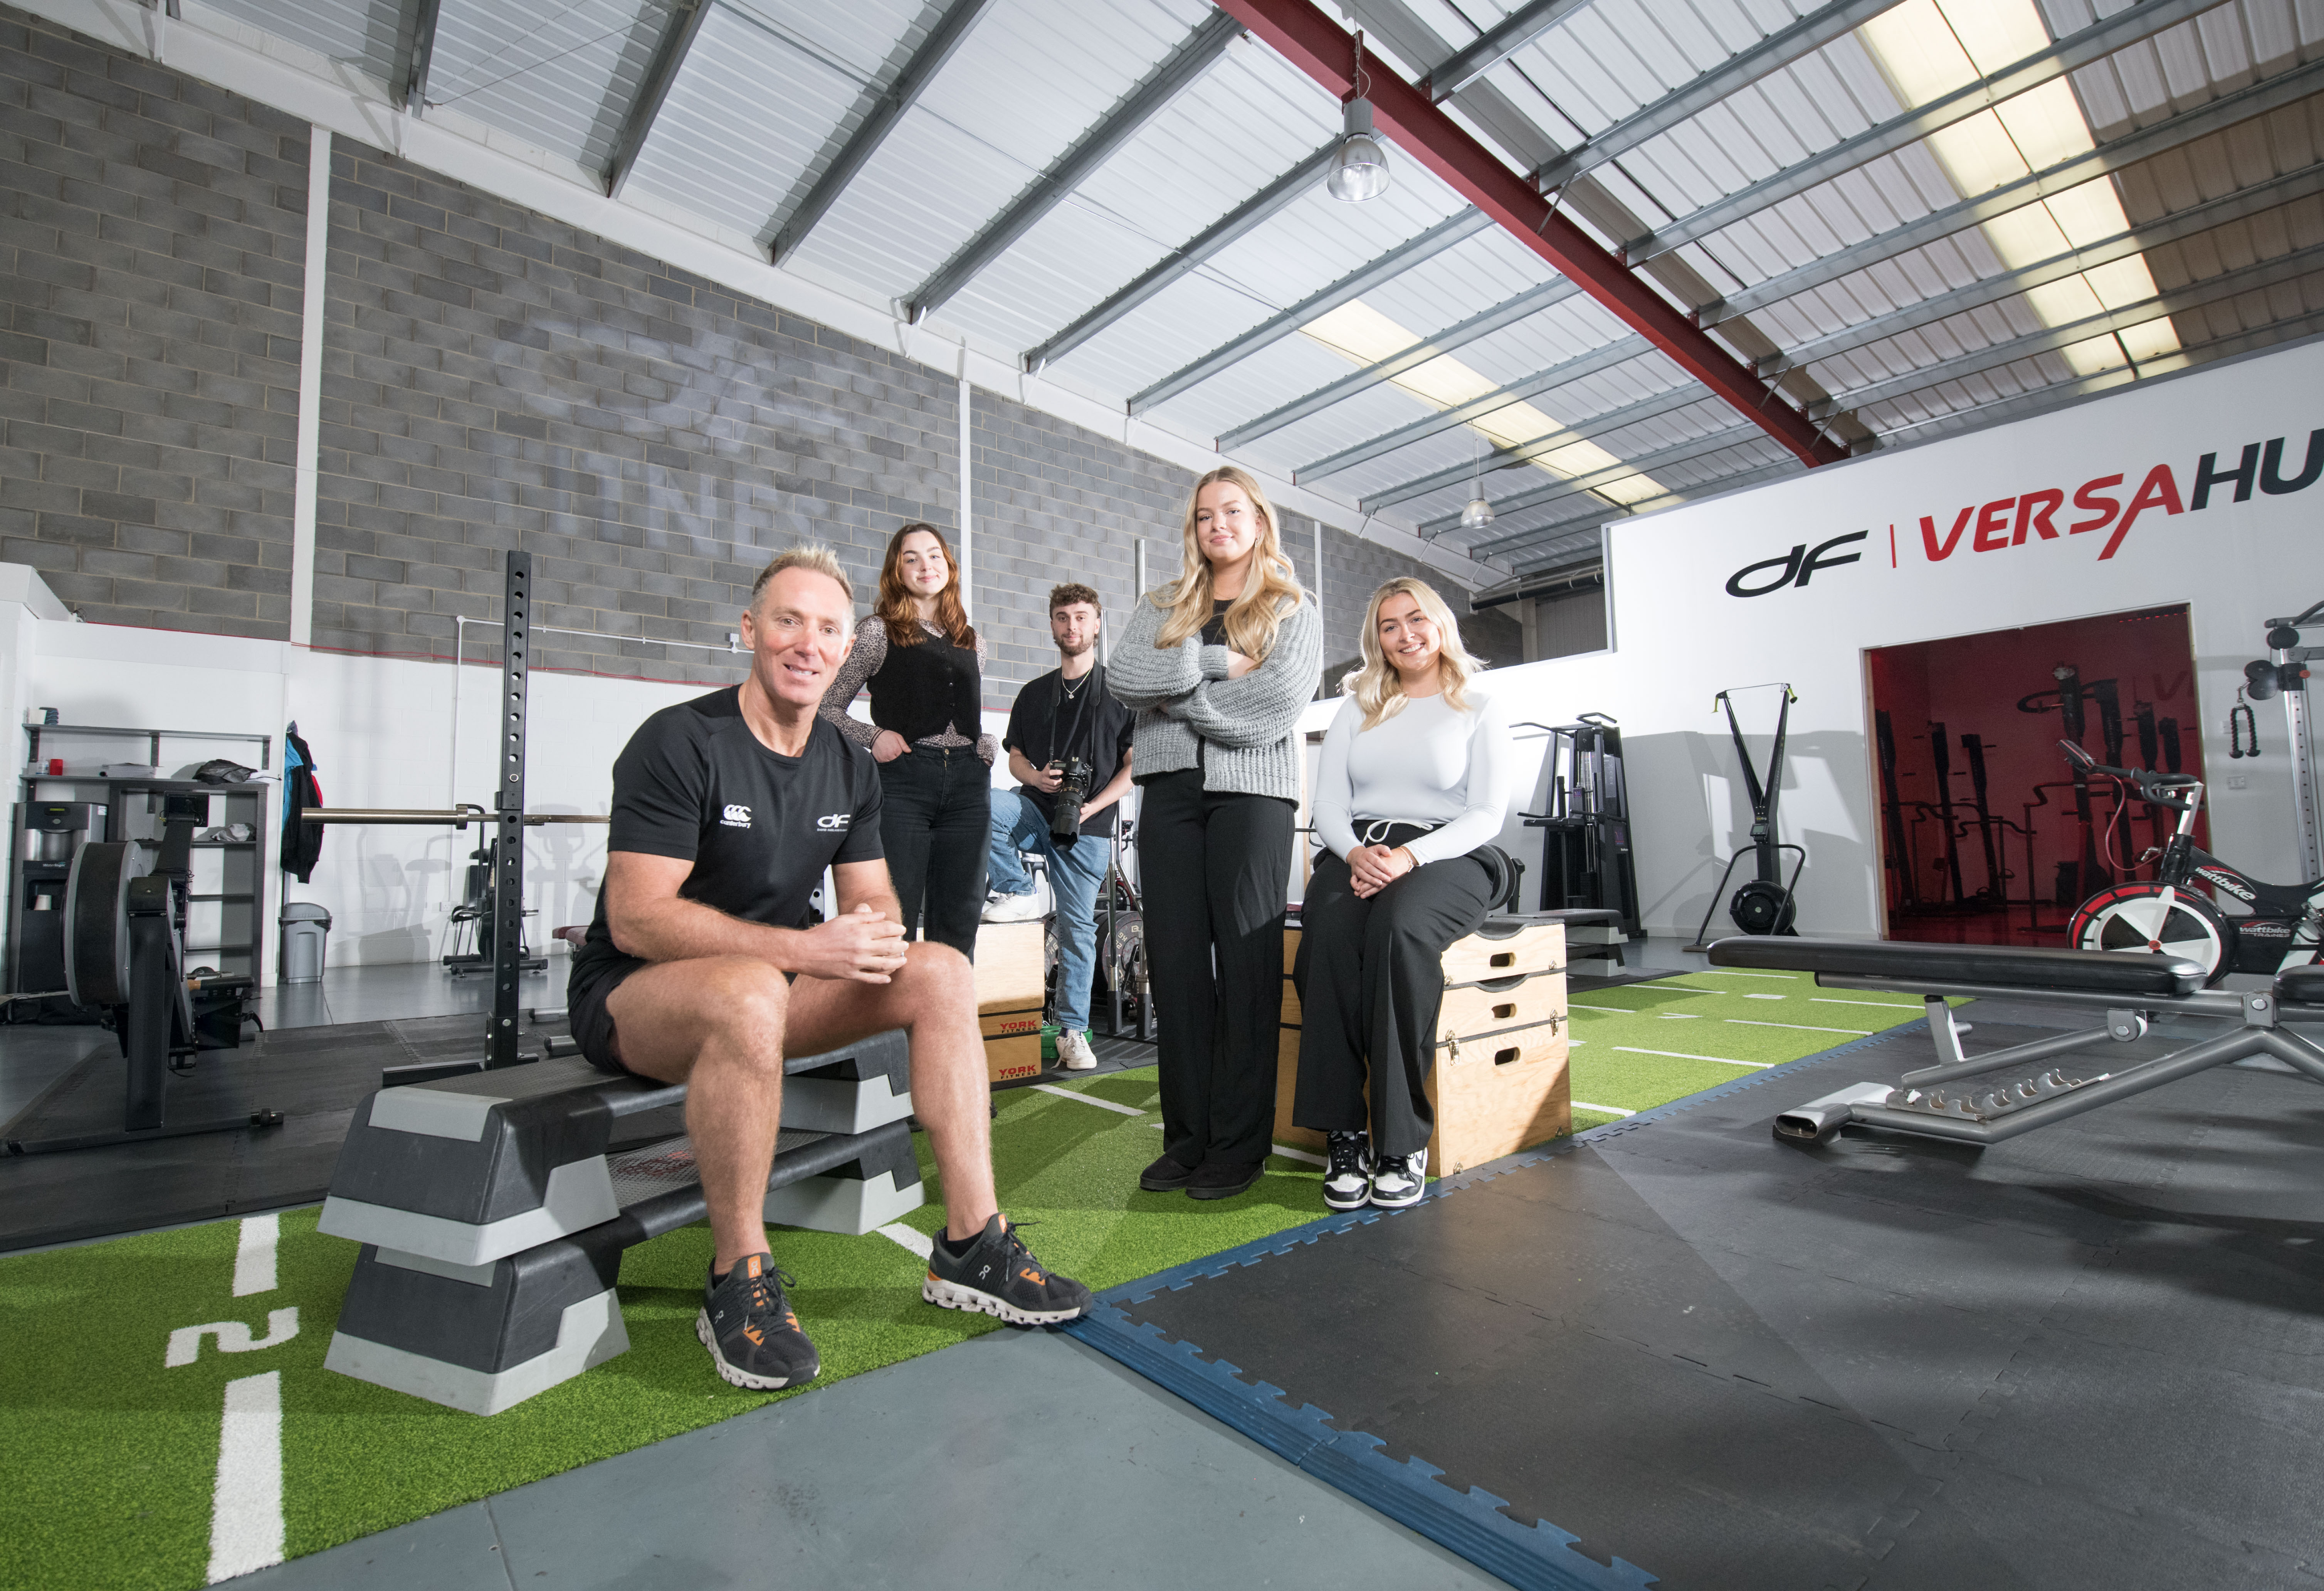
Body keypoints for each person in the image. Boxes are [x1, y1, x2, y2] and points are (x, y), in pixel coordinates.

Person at [566, 545, 1090, 1393]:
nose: (807, 644)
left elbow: (874, 904)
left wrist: (873, 939)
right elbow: (637, 918)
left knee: (942, 970)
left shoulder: (848, 766)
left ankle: (970, 1244)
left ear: (850, 651)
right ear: (749, 630)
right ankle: (738, 1274)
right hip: (638, 995)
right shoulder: (680, 741)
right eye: (788, 621)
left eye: (828, 630)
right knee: (743, 993)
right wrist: (809, 949)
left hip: (776, 989)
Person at [1109, 465, 1321, 1201]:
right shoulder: (1163, 602)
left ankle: (1238, 1144)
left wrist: (1181, 702)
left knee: (1246, 966)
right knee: (1176, 968)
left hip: (1254, 795)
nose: (1218, 525)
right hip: (1168, 794)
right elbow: (1123, 676)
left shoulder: (1292, 605)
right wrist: (1208, 665)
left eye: (1232, 512)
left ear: (1259, 521)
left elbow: (1278, 702)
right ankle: (1188, 1138)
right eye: (1205, 516)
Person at [1293, 577, 1514, 1211]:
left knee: (1398, 930)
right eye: (1389, 625)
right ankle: (1345, 1133)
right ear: (1376, 639)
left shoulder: (1478, 705)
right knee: (1330, 933)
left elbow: (1486, 813)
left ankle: (1400, 1139)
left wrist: (1410, 856)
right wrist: (1356, 852)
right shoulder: (1356, 707)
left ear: (1440, 623)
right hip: (1358, 849)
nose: (1404, 634)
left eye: (1415, 619)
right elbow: (1329, 803)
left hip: (1449, 853)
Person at [818, 523, 993, 957]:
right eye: (910, 558)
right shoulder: (877, 631)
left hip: (970, 785)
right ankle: (888, 1026)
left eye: (933, 555)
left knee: (960, 917)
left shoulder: (973, 641)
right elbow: (825, 706)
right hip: (904, 782)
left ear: (948, 566)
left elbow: (956, 707)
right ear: (897, 571)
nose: (924, 565)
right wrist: (872, 735)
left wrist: (984, 741)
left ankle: (945, 1021)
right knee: (891, 919)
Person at [984, 583, 1136, 1073]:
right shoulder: (1033, 694)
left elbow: (1133, 767)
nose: (1072, 626)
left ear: (1097, 624)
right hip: (1034, 810)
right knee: (979, 806)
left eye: (1081, 617)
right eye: (1063, 617)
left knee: (1075, 930)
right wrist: (1037, 778)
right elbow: (1015, 758)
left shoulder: (1120, 693)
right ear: (1052, 625)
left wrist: (1094, 806)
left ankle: (1073, 1032)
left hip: (1087, 828)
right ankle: (1016, 888)